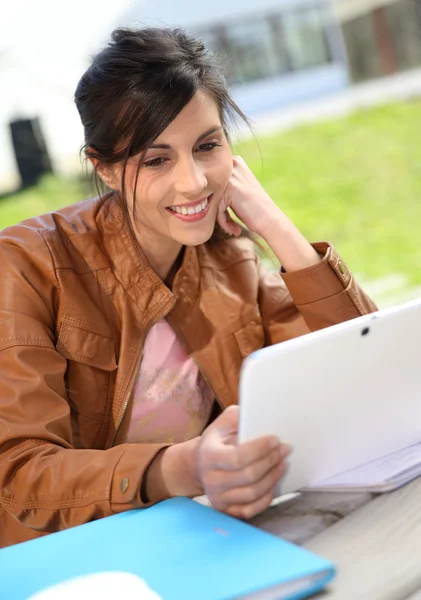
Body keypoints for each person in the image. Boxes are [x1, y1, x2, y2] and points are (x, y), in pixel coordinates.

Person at [0, 27, 377, 548]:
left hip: (202, 536)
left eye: (207, 146)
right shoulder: (26, 265)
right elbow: (20, 476)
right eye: (156, 160)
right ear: (105, 168)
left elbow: (365, 375)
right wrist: (181, 467)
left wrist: (275, 225)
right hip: (72, 559)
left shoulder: (229, 254)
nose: (194, 182)